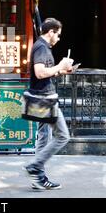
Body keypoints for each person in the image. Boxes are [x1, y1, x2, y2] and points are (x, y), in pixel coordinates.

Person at [23, 17, 73, 190]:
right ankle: (34, 166)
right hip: (45, 99)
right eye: (57, 35)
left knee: (44, 138)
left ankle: (38, 178)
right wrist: (60, 65)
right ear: (50, 32)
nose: (58, 38)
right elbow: (40, 73)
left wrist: (60, 71)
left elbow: (45, 73)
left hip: (43, 97)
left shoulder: (40, 46)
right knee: (63, 136)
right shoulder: (42, 47)